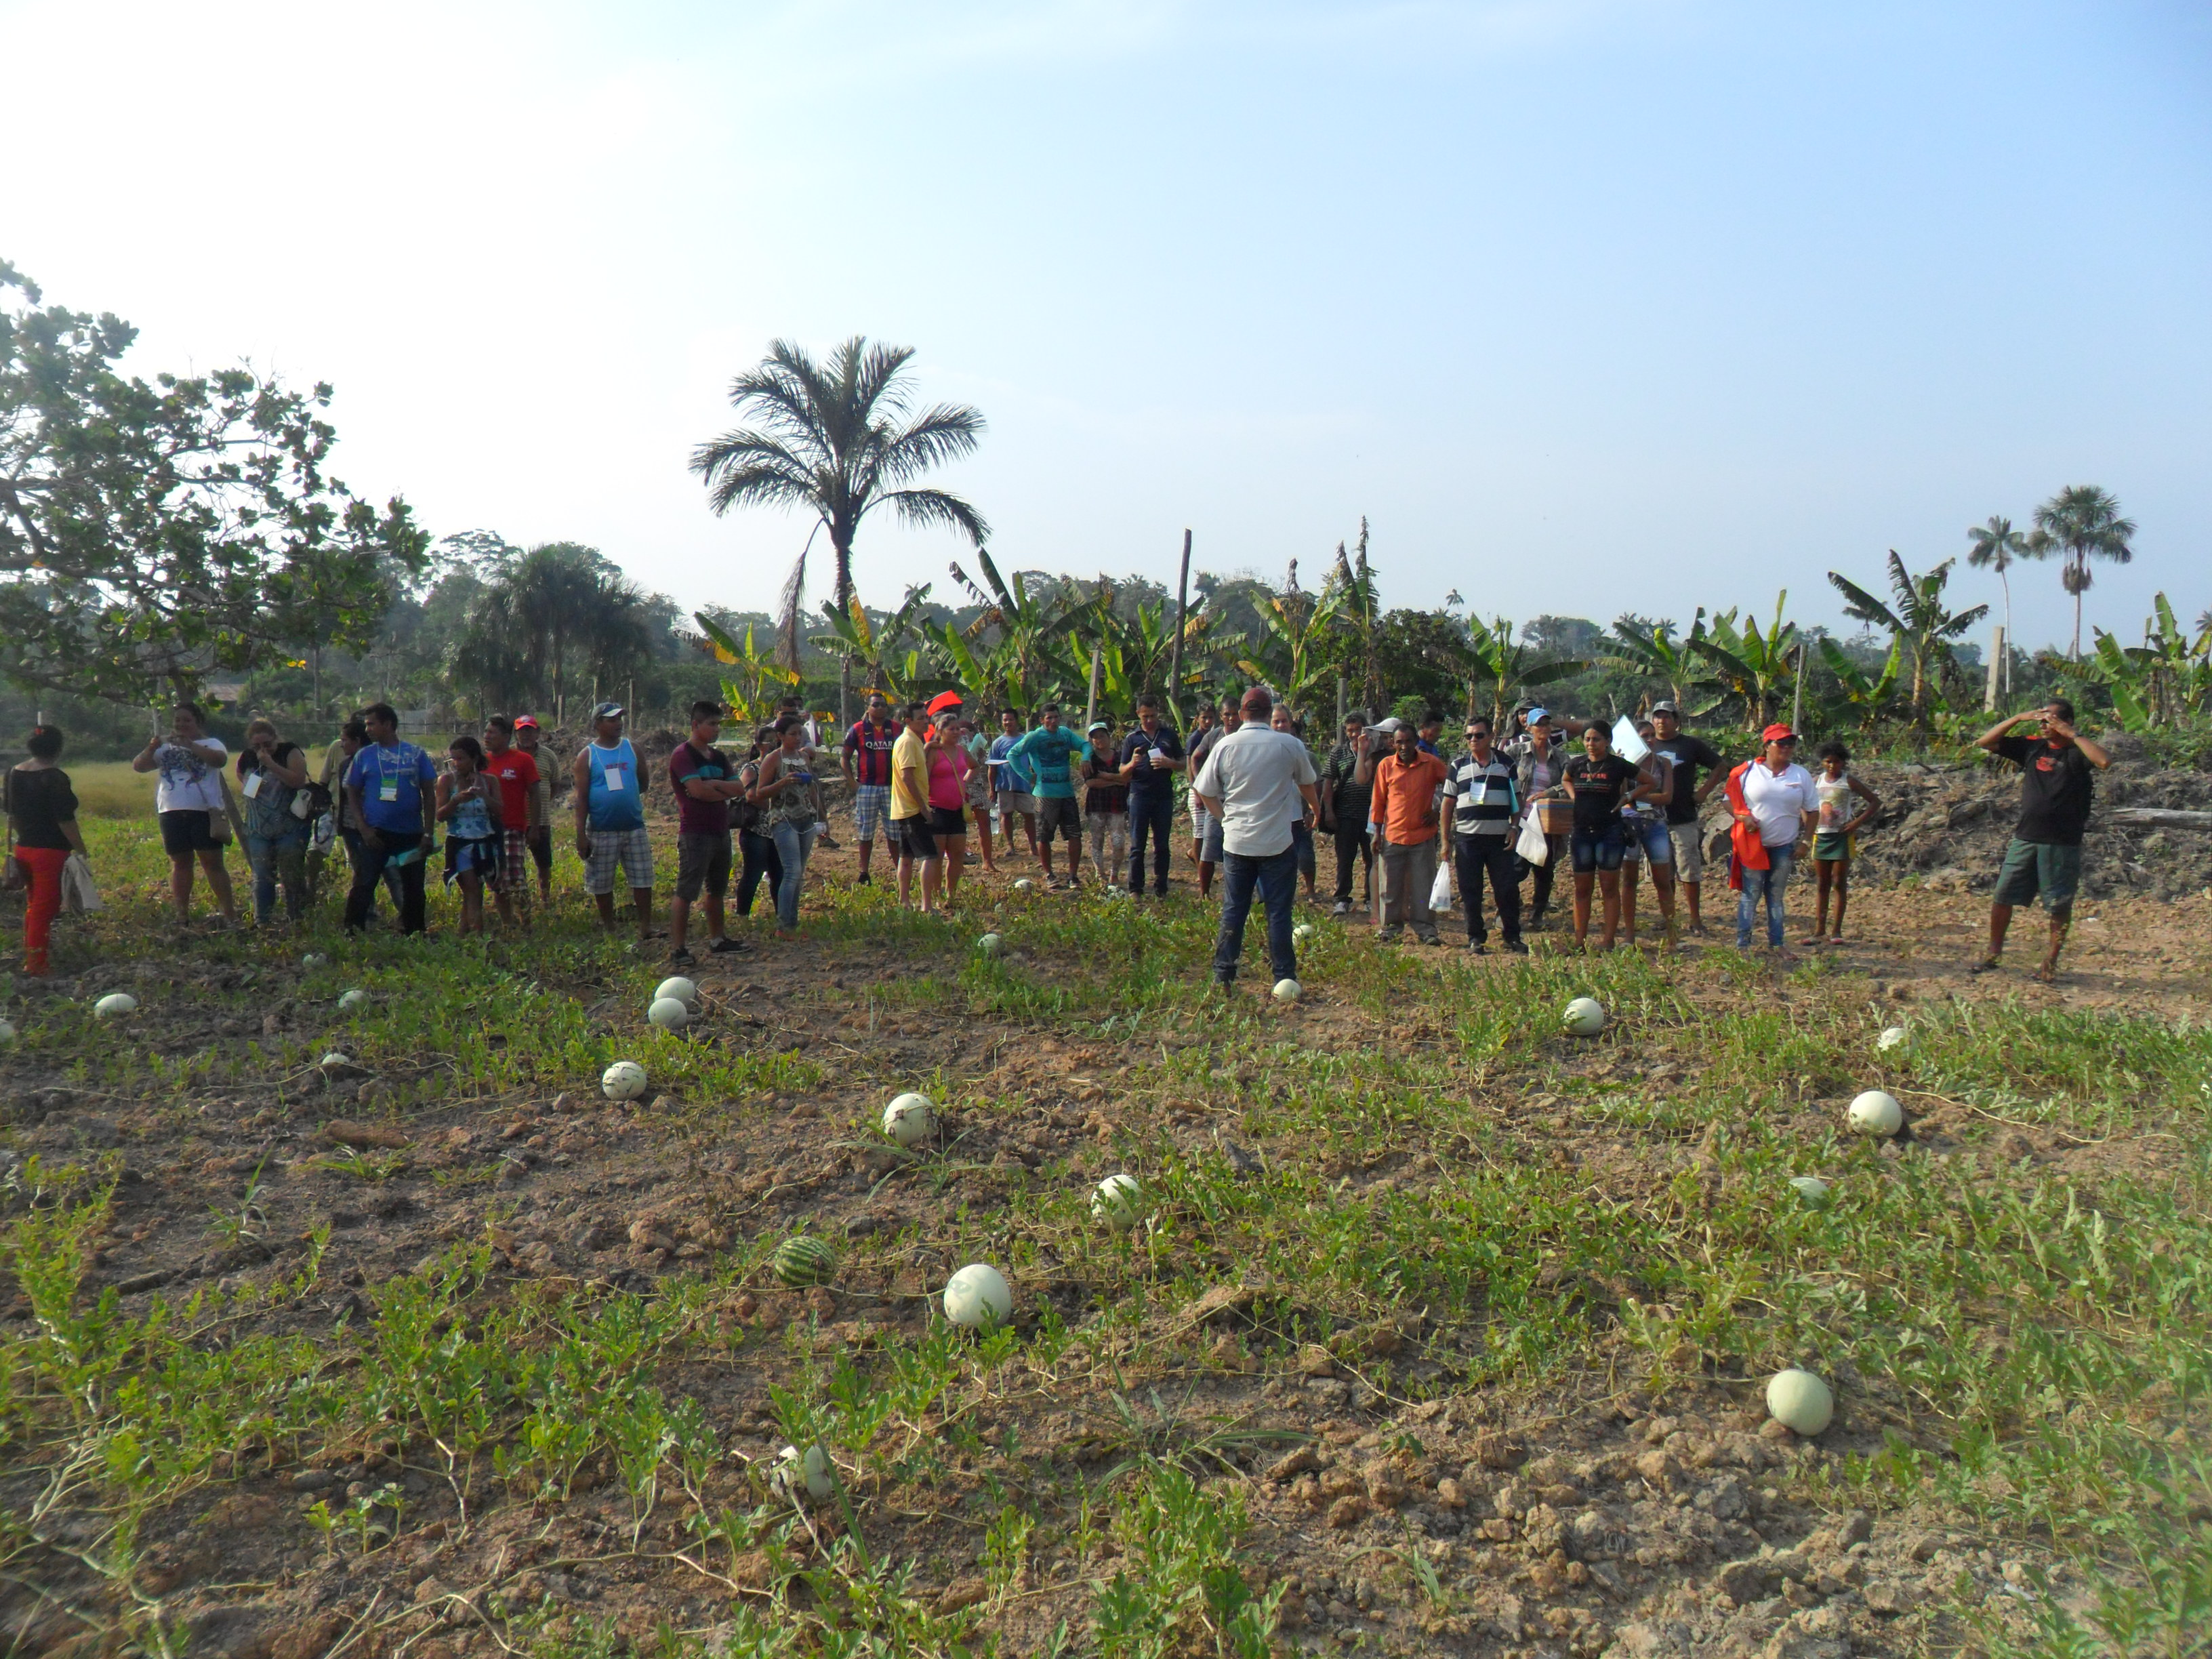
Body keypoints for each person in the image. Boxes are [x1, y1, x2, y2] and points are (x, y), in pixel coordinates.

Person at [1190, 687, 1317, 991]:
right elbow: (1308, 783)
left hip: (1238, 843)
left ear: (1243, 713)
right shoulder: (1289, 744)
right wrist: (1316, 808)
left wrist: (1224, 819)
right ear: (1267, 711)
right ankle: (1284, 976)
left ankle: (1223, 976)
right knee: (1279, 912)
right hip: (1277, 842)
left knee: (1234, 909)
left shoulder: (1226, 745)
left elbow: (1203, 789)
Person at [1973, 701, 2110, 981]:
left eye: (2052, 721)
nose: (2045, 726)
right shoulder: (2033, 747)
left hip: (2061, 841)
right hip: (2025, 837)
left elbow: (2104, 761)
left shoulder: (2077, 751)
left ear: (2068, 721)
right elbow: (1984, 742)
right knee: (2002, 896)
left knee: (2058, 905)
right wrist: (2017, 717)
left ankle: (2050, 962)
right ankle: (1993, 953)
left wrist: (2072, 733)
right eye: (2042, 721)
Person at [133, 703, 241, 928]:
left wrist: (190, 745)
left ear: (197, 723)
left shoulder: (211, 744)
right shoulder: (165, 748)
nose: (181, 725)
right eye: (178, 721)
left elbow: (219, 760)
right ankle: (182, 914)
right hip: (171, 811)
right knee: (180, 863)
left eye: (187, 721)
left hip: (203, 811)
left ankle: (229, 914)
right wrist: (152, 748)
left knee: (212, 863)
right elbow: (139, 766)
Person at [342, 702, 437, 935]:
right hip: (376, 834)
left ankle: (414, 932)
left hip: (410, 833)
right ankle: (352, 930)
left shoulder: (415, 754)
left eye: (372, 724)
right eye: (367, 725)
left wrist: (428, 832)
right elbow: (351, 791)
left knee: (413, 886)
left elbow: (429, 793)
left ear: (388, 724)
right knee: (364, 883)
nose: (368, 730)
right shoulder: (364, 755)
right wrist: (363, 828)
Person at [669, 700, 750, 962]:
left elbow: (739, 790)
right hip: (695, 832)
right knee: (686, 891)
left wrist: (711, 785)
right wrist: (717, 789)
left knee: (716, 889)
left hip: (720, 830)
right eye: (712, 724)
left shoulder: (718, 757)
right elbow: (697, 791)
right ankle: (678, 948)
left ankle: (718, 939)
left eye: (718, 724)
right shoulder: (683, 755)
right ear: (696, 725)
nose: (717, 730)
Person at [1726, 723, 1817, 954]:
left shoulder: (1800, 774)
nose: (1787, 748)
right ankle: (1743, 946)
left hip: (1783, 846)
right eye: (1781, 743)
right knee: (1751, 895)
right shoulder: (1746, 772)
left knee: (1776, 896)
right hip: (1752, 846)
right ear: (1767, 745)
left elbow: (1812, 810)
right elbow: (1728, 800)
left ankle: (1777, 944)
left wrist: (1806, 841)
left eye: (1791, 744)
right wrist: (1742, 817)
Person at [7, 725, 85, 977]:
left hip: (24, 847)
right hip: (50, 851)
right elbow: (65, 820)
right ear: (58, 749)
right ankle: (37, 963)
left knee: (33, 904)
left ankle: (32, 954)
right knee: (45, 906)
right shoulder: (55, 778)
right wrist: (81, 849)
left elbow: (12, 813)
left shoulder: (13, 773)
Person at [573, 702, 654, 943]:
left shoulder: (632, 749)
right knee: (602, 881)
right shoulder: (588, 756)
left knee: (642, 878)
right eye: (611, 719)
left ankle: (646, 927)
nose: (618, 723)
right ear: (597, 724)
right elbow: (582, 798)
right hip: (601, 829)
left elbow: (644, 783)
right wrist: (580, 834)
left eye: (620, 718)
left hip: (633, 827)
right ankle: (609, 928)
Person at [1443, 716, 1525, 954]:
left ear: (1491, 736)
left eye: (1479, 735)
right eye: (1469, 736)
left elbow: (1517, 799)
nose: (1473, 740)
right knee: (1470, 890)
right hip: (1468, 838)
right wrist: (1446, 840)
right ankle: (1475, 938)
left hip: (1500, 839)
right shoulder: (1458, 766)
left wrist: (1514, 826)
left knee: (1507, 888)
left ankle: (1512, 936)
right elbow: (1448, 805)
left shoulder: (1506, 764)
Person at [1645, 701, 1727, 935]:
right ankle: (1668, 917)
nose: (1662, 721)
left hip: (1683, 818)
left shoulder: (1690, 745)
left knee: (1689, 871)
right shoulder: (1646, 745)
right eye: (1658, 717)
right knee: (1662, 872)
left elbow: (1720, 766)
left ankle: (1695, 919)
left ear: (1676, 721)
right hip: (1653, 818)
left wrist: (1704, 792)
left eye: (1667, 717)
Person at [1561, 722, 1643, 951]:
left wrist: (1627, 796)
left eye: (1596, 739)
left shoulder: (1617, 765)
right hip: (1581, 833)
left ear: (1608, 741)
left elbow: (1650, 782)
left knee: (1609, 888)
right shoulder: (1577, 764)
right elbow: (1565, 779)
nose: (1590, 744)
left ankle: (1608, 941)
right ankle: (1580, 942)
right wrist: (1573, 796)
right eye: (1587, 739)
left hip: (1610, 832)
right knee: (1582, 889)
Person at [1370, 720, 1449, 945]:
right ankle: (1390, 929)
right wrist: (1377, 832)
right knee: (1390, 887)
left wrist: (1437, 809)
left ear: (1416, 742)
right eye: (1399, 742)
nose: (1404, 747)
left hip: (1422, 837)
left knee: (1423, 886)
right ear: (1393, 744)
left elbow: (1452, 787)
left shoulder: (1431, 763)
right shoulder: (1386, 766)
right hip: (1393, 835)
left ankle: (1426, 930)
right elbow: (1378, 801)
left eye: (1408, 742)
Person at [236, 718, 311, 926]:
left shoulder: (290, 752)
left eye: (267, 744)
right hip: (259, 828)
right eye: (257, 746)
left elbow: (297, 780)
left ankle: (298, 918)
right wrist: (251, 783)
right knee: (262, 876)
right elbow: (245, 787)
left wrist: (271, 764)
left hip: (290, 827)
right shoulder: (247, 758)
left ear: (275, 738)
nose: (262, 750)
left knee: (292, 875)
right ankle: (262, 921)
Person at [1009, 704, 1093, 889]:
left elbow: (1085, 745)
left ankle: (1073, 875)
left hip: (1067, 792)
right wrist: (1027, 775)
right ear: (1042, 720)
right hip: (1045, 794)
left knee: (1074, 835)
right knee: (1044, 836)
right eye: (1049, 718)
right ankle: (1049, 874)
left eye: (1056, 717)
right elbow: (1013, 754)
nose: (1053, 721)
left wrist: (1085, 757)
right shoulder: (1035, 737)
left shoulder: (1064, 734)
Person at [1805, 739, 1881, 943]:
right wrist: (1808, 824)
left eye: (1836, 762)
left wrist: (1855, 823)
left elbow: (1874, 802)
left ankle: (1836, 932)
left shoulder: (1848, 782)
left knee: (1839, 883)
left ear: (1843, 763)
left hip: (1842, 837)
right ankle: (1819, 930)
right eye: (1828, 761)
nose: (1832, 766)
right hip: (1820, 836)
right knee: (1822, 883)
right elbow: (1804, 804)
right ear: (1822, 762)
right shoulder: (1815, 782)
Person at [752, 713, 819, 933]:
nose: (798, 738)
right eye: (793, 734)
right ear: (780, 736)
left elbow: (811, 789)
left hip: (805, 818)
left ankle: (792, 920)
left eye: (800, 733)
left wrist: (822, 816)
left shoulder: (804, 757)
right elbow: (760, 793)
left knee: (798, 874)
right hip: (782, 819)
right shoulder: (774, 759)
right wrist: (782, 783)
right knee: (792, 870)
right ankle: (784, 924)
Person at [1616, 721, 1679, 950]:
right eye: (1645, 735)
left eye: (1652, 735)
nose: (1650, 739)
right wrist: (1642, 794)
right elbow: (1620, 793)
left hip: (1655, 824)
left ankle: (1672, 937)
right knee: (1629, 881)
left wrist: (1636, 797)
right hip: (1630, 824)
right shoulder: (1627, 763)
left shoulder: (1664, 763)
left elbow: (1668, 797)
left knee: (1663, 881)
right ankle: (1629, 936)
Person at [1118, 695, 1185, 898]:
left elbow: (1183, 763)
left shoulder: (1168, 735)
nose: (1149, 720)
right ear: (1138, 714)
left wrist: (1169, 763)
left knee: (1162, 845)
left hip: (1163, 796)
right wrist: (1133, 763)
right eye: (1145, 716)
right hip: (1140, 795)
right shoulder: (1132, 739)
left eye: (1153, 716)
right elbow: (1122, 771)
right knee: (1138, 845)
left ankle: (1161, 888)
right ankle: (1136, 888)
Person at [1509, 710, 1571, 930]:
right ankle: (1509, 909)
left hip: (1547, 821)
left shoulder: (1561, 757)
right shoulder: (1515, 752)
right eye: (1539, 725)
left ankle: (1537, 915)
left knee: (1545, 869)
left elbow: (1568, 784)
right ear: (1529, 728)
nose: (1543, 729)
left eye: (1547, 724)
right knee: (1516, 869)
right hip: (1521, 820)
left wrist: (1549, 793)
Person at [436, 735, 503, 937]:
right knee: (472, 888)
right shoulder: (447, 781)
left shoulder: (489, 781)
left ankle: (463, 931)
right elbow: (440, 815)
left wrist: (483, 795)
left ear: (474, 759)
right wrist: (455, 801)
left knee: (474, 890)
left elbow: (500, 810)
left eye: (461, 759)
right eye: (453, 759)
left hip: (484, 841)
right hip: (459, 843)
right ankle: (478, 934)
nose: (456, 764)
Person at [478, 716, 539, 929]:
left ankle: (526, 922)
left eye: (492, 733)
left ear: (506, 737)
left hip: (513, 828)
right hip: (487, 830)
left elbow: (535, 794)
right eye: (486, 732)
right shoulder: (482, 763)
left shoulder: (523, 760)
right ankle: (507, 924)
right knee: (496, 880)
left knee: (515, 877)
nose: (487, 736)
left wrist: (534, 826)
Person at [840, 692, 901, 886]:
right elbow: (845, 758)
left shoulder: (896, 728)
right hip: (867, 787)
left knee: (894, 832)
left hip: (891, 787)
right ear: (868, 708)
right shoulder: (857, 729)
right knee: (866, 832)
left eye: (884, 705)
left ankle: (900, 870)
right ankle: (864, 871)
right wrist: (852, 782)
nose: (880, 708)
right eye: (876, 705)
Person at [1321, 711, 1376, 917]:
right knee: (1345, 859)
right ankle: (1342, 899)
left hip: (1371, 816)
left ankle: (1371, 898)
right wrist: (1328, 811)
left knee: (1372, 859)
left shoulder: (1375, 752)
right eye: (1350, 730)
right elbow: (1327, 782)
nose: (1354, 734)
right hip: (1345, 815)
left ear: (1366, 730)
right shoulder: (1338, 753)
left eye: (1357, 730)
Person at [1188, 698, 1242, 899]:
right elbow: (1195, 757)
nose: (1231, 718)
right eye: (1227, 714)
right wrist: (1198, 786)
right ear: (1221, 716)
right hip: (1216, 801)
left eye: (1234, 714)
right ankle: (1204, 893)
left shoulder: (1246, 736)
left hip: (1239, 801)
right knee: (1208, 851)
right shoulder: (1214, 736)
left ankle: (1236, 893)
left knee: (1238, 851)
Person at [889, 699, 938, 910]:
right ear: (908, 721)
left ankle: (905, 902)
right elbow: (907, 776)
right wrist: (924, 808)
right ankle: (926, 905)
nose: (926, 721)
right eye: (921, 718)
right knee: (929, 856)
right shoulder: (908, 742)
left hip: (906, 808)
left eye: (927, 717)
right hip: (912, 809)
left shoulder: (915, 741)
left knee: (906, 857)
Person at [732, 725, 784, 922]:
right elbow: (751, 796)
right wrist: (776, 806)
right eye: (769, 741)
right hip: (756, 830)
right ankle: (742, 915)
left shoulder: (780, 767)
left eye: (776, 741)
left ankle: (782, 915)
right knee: (753, 874)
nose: (773, 745)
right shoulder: (752, 768)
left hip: (776, 830)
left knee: (778, 875)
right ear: (758, 745)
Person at [1270, 705, 1319, 900]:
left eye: (1284, 721)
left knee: (1303, 856)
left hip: (1297, 815)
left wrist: (1310, 810)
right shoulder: (1263, 749)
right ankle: (1273, 895)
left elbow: (1309, 784)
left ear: (1290, 724)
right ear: (1270, 724)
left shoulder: (1302, 752)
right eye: (1276, 721)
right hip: (1272, 817)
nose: (1281, 725)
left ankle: (1310, 891)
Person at [926, 713, 973, 901]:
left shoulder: (962, 751)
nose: (956, 732)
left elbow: (974, 766)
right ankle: (937, 894)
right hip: (937, 809)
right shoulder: (934, 752)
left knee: (957, 855)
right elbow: (924, 776)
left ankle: (951, 893)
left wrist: (965, 781)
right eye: (951, 729)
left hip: (957, 809)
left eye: (957, 729)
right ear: (940, 731)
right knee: (937, 856)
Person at [512, 716, 556, 903]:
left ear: (538, 733)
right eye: (522, 730)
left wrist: (541, 803)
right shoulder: (508, 755)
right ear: (516, 734)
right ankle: (520, 900)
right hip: (514, 821)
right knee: (515, 864)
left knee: (544, 863)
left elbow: (555, 784)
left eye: (530, 730)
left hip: (541, 820)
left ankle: (545, 899)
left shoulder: (548, 756)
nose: (527, 734)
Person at [1082, 719, 1129, 886]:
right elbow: (1091, 783)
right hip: (1097, 806)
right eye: (1095, 738)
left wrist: (1107, 777)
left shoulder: (1120, 756)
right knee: (1097, 841)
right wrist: (1116, 780)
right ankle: (1099, 874)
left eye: (1102, 736)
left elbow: (1127, 778)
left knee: (1118, 842)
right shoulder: (1089, 760)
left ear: (1109, 737)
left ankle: (1114, 873)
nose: (1098, 740)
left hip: (1117, 806)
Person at [987, 709, 1040, 862]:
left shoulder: (1026, 740)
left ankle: (1033, 846)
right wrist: (992, 789)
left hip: (1024, 784)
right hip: (1004, 785)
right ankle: (1010, 845)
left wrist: (1036, 778)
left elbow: (1035, 761)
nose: (1007, 723)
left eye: (1010, 719)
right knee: (1006, 815)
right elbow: (992, 767)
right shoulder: (998, 743)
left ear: (1017, 721)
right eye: (1005, 720)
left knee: (1029, 815)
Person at [961, 718, 998, 873]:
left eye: (965, 732)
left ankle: (987, 861)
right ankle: (959, 860)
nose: (962, 735)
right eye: (958, 731)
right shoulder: (953, 748)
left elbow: (985, 764)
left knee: (984, 823)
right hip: (959, 788)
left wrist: (981, 755)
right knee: (959, 826)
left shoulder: (975, 747)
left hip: (976, 787)